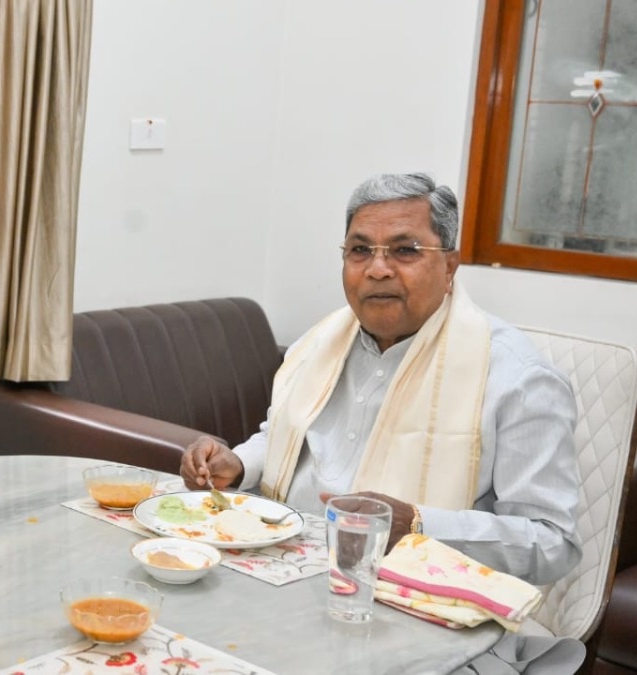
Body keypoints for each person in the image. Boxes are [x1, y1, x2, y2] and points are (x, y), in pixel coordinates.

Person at [180, 173, 581, 587]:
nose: (377, 269)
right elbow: (288, 435)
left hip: (417, 602)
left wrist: (419, 527)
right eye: (360, 250)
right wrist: (240, 463)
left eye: (405, 250)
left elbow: (552, 543)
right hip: (280, 570)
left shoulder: (517, 379)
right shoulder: (318, 344)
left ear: (449, 267)